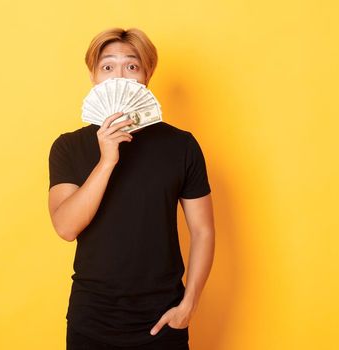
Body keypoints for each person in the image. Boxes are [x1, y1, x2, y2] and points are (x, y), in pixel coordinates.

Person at [47, 27, 216, 350]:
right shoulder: (68, 147)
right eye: (107, 67)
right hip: (92, 316)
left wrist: (188, 306)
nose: (119, 76)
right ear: (94, 77)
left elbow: (203, 230)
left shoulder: (181, 145)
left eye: (132, 66)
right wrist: (107, 160)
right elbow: (66, 227)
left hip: (163, 316)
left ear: (147, 76)